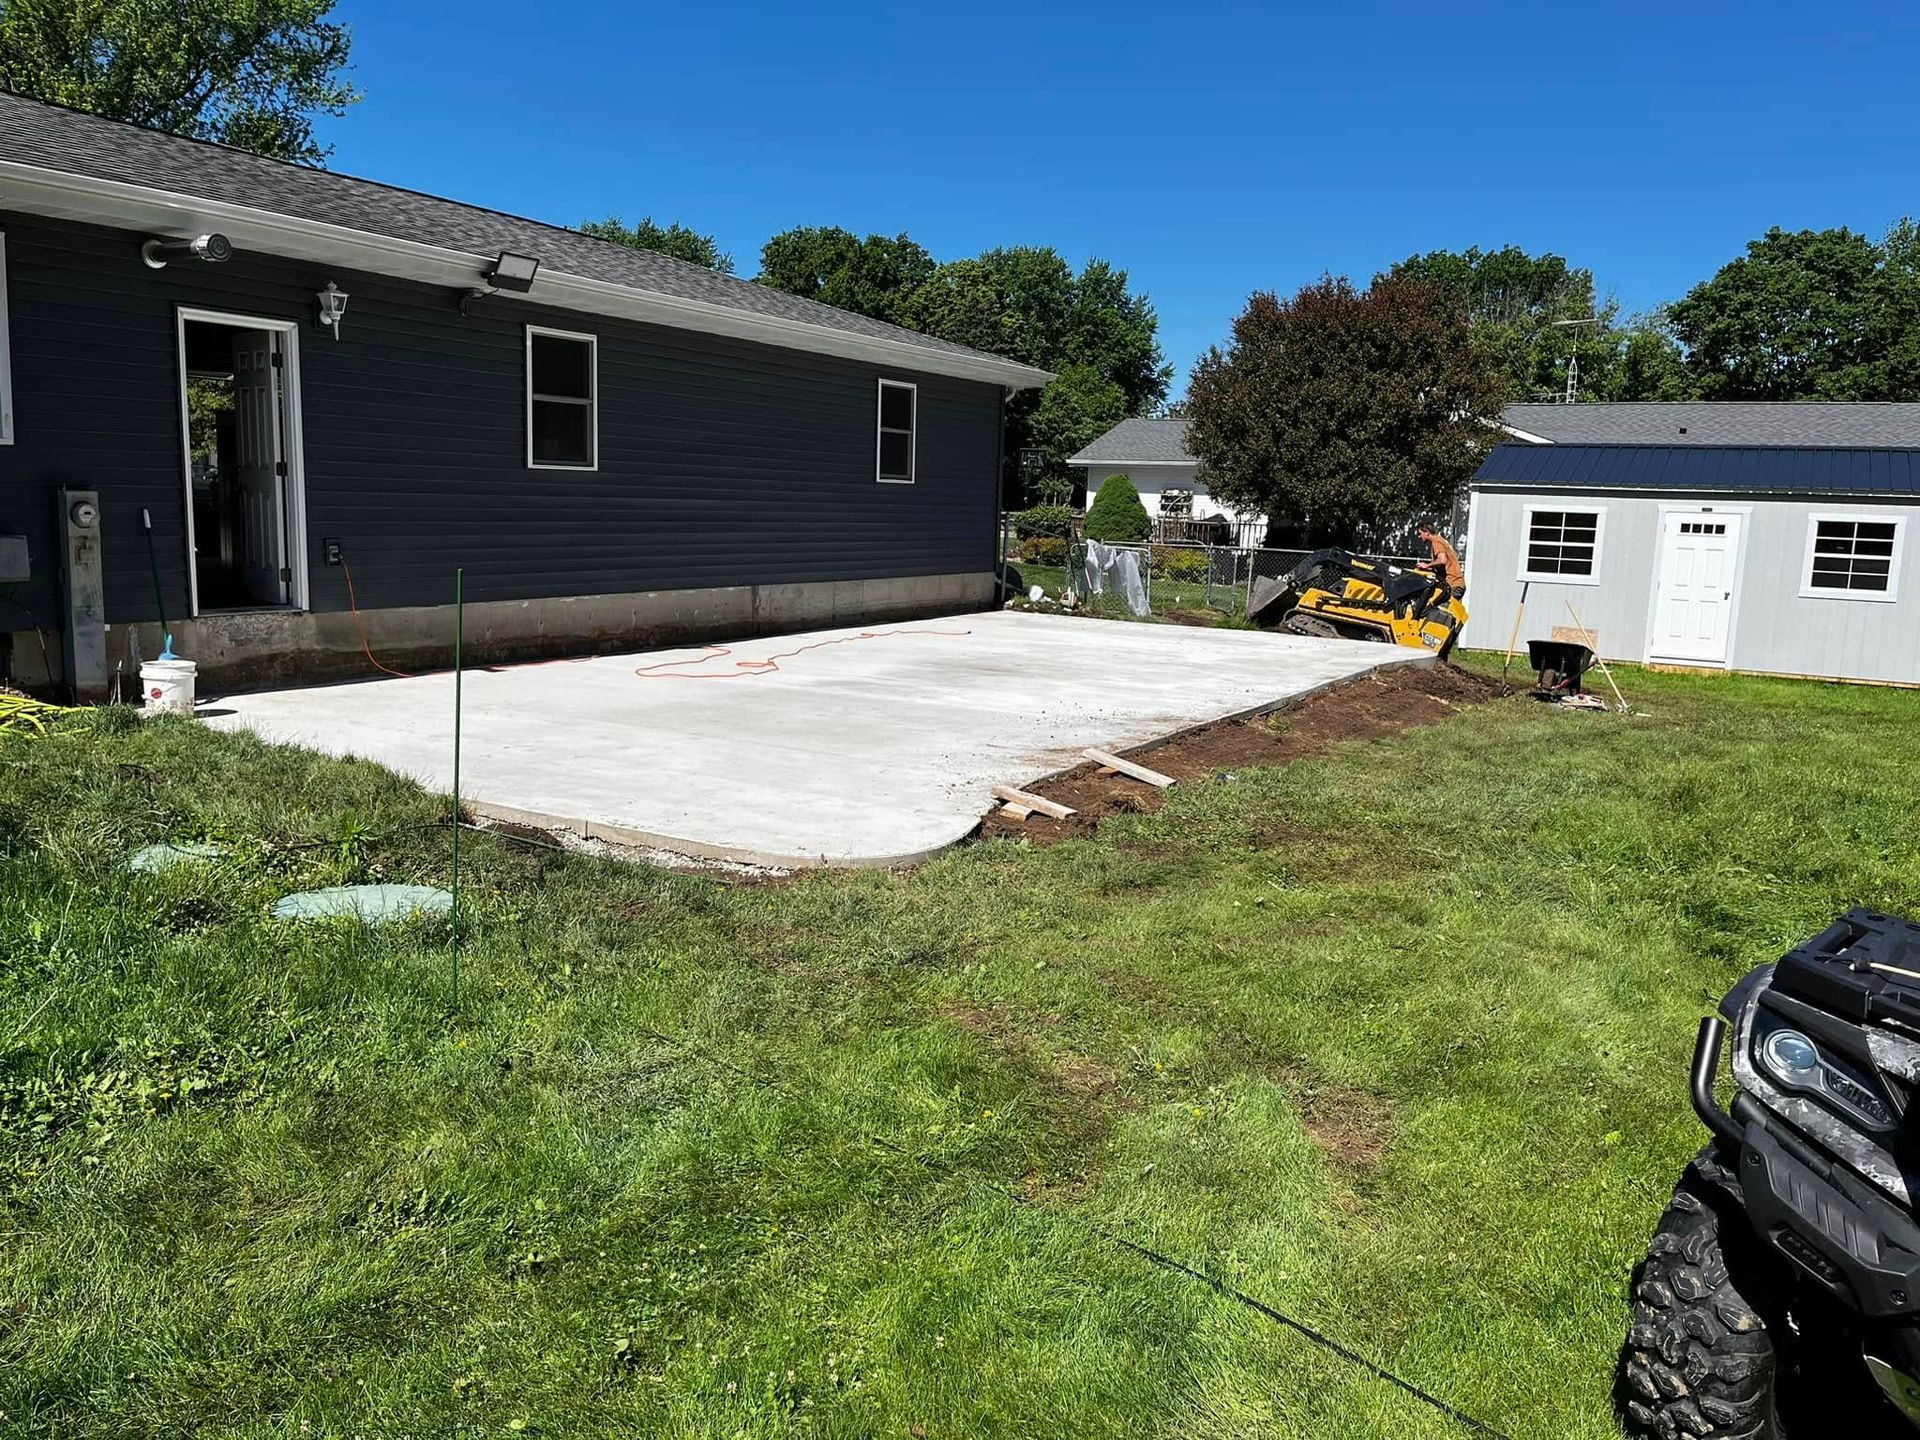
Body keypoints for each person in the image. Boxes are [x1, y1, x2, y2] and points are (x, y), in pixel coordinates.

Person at [1415, 527, 1464, 596]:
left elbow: (1442, 560)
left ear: (1427, 532)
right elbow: (1443, 564)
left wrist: (1427, 565)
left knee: (1435, 605)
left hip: (1453, 585)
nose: (1419, 537)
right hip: (1455, 584)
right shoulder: (1440, 540)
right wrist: (1428, 569)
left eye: (1420, 534)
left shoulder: (1436, 541)